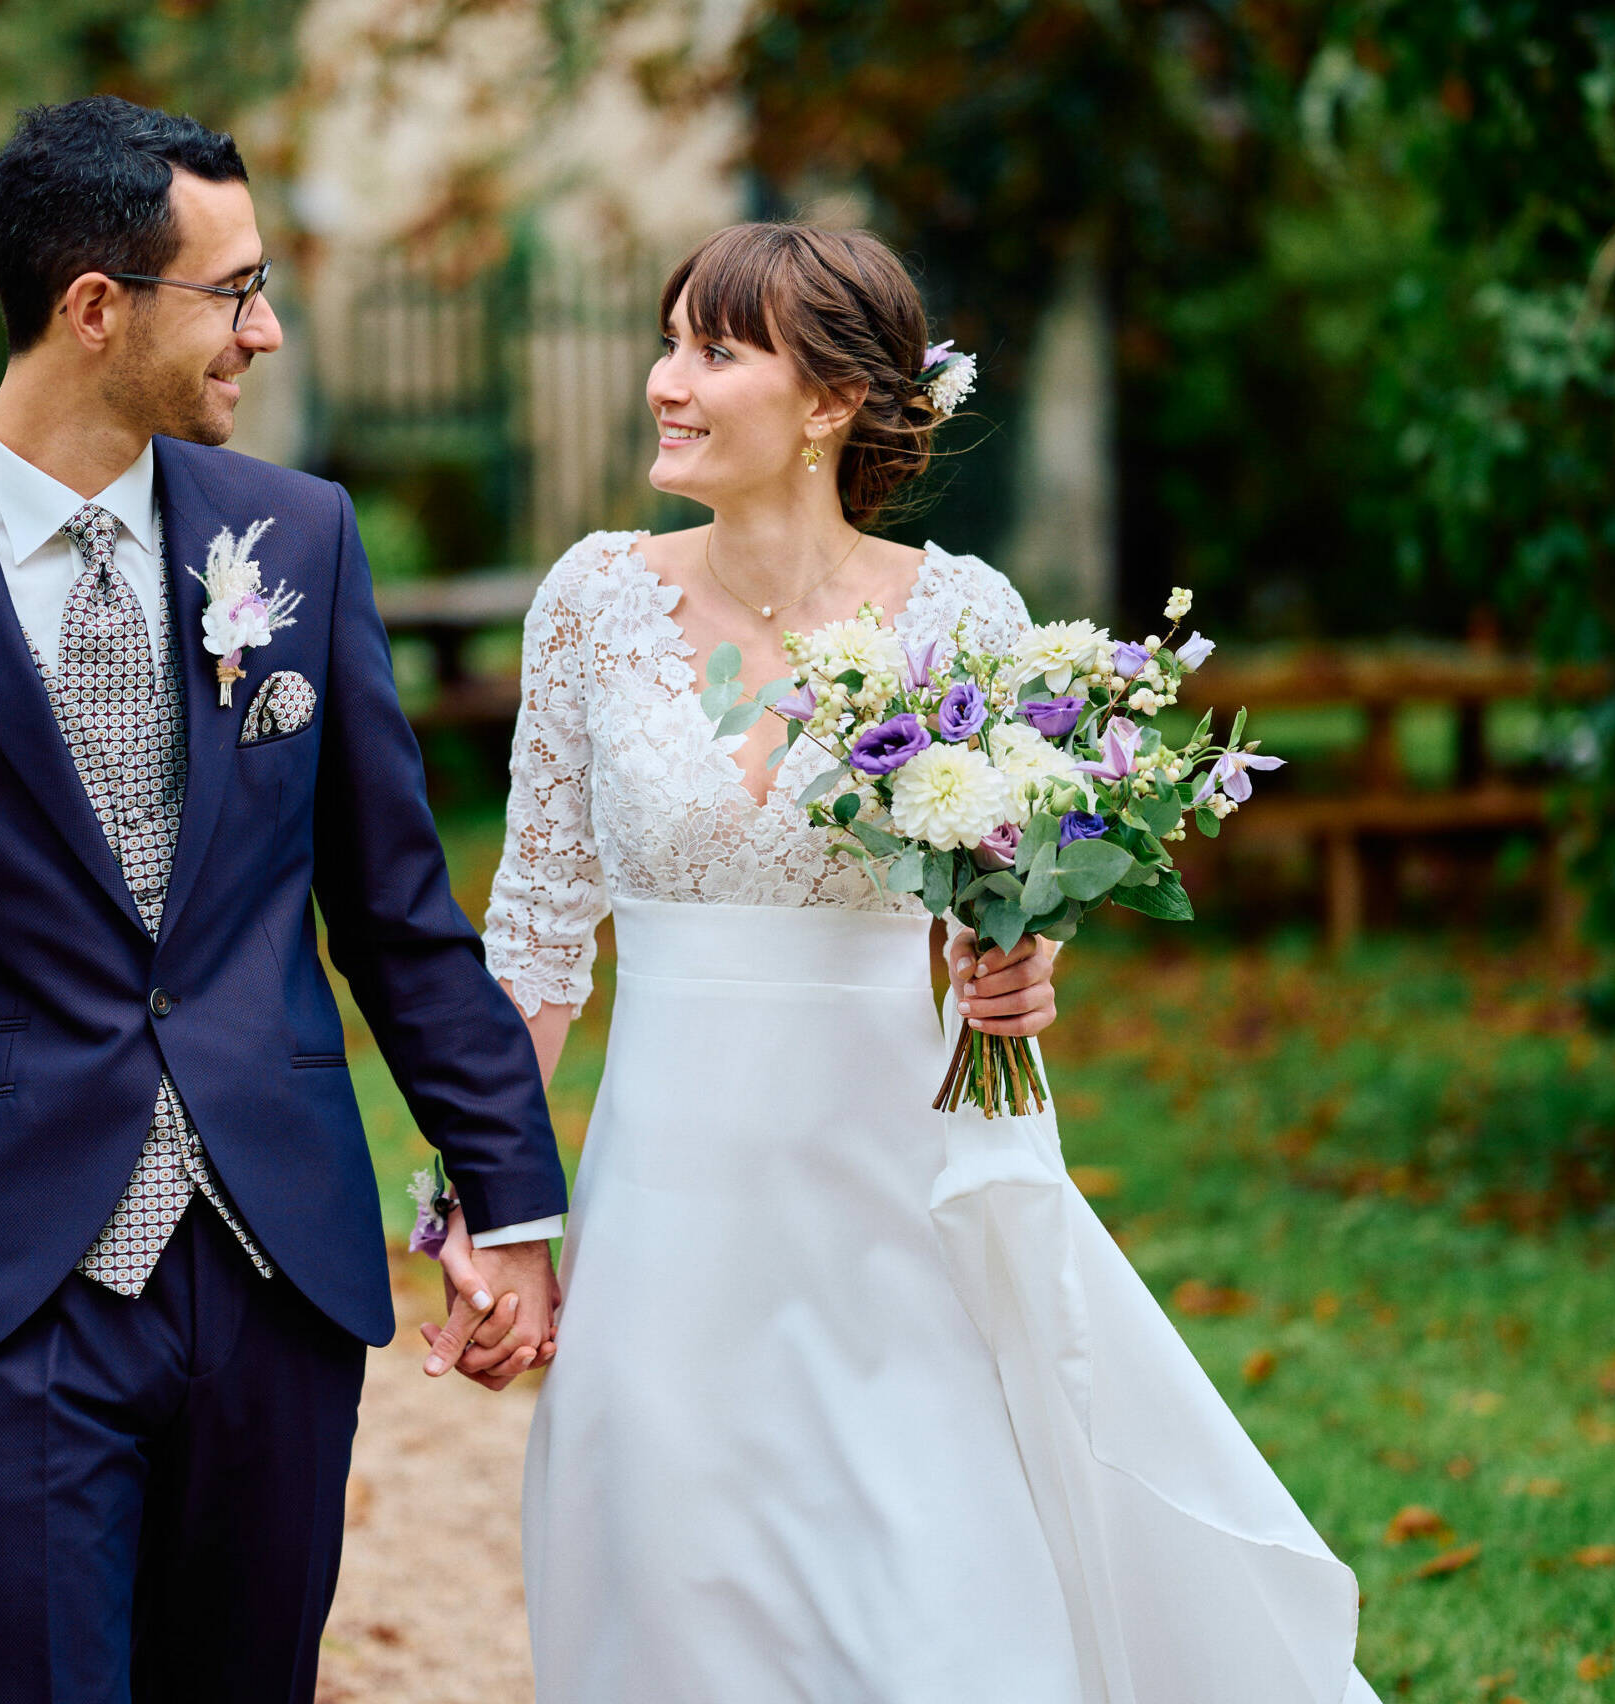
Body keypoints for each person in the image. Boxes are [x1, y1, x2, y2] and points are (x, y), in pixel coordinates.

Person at [460, 221, 1382, 1702]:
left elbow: (992, 924)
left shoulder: (963, 616)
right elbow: (539, 932)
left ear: (827, 403)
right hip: (666, 1227)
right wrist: (485, 1201)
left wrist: (1018, 971)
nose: (664, 384)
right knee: (674, 1608)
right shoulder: (589, 604)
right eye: (669, 342)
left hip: (899, 1209)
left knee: (936, 1613)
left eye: (715, 349)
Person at [0, 95, 568, 1704]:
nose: (261, 330)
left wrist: (508, 1200)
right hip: (9, 1284)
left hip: (277, 1268)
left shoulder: (297, 539)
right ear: (95, 307)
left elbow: (395, 909)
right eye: (233, 290)